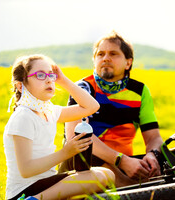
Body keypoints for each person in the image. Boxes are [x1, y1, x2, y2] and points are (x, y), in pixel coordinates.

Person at [3, 54, 115, 200]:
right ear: (20, 86)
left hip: (46, 185)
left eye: (51, 75)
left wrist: (63, 80)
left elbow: (92, 106)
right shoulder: (23, 117)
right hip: (23, 191)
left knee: (107, 174)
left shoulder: (49, 111)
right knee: (98, 177)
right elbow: (26, 170)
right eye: (40, 75)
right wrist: (65, 152)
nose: (49, 80)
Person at [61, 31, 164, 187]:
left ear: (128, 63)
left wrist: (153, 155)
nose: (106, 58)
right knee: (81, 146)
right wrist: (121, 161)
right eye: (100, 54)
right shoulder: (82, 88)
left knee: (172, 153)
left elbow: (153, 138)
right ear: (94, 60)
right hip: (84, 163)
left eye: (113, 54)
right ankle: (132, 188)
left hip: (125, 165)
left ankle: (138, 184)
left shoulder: (140, 91)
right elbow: (75, 136)